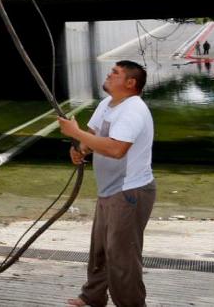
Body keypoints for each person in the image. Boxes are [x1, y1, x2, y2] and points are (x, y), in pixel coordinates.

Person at [58, 60, 155, 307]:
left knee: (122, 256)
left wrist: (75, 133)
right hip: (109, 190)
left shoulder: (133, 109)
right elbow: (93, 137)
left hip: (129, 192)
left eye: (115, 73)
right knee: (101, 249)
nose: (109, 75)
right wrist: (80, 149)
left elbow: (116, 149)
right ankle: (93, 297)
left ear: (130, 83)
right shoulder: (107, 104)